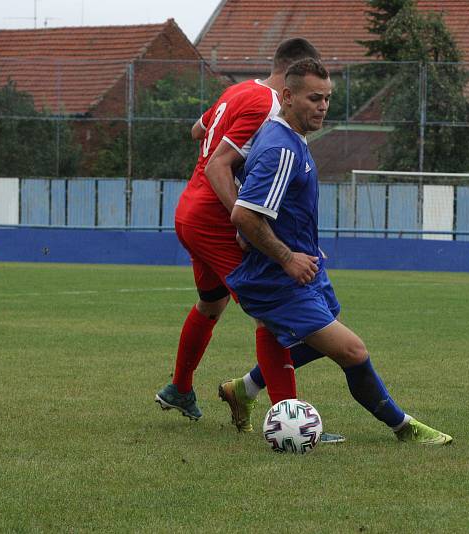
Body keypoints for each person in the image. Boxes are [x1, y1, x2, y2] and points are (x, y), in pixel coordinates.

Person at [227, 58, 453, 444]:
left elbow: (265, 203)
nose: (323, 106)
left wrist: (303, 245)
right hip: (279, 280)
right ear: (287, 96)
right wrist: (287, 256)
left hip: (302, 267)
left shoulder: (286, 137)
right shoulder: (281, 148)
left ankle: (244, 389)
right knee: (352, 350)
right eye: (314, 98)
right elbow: (244, 214)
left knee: (319, 337)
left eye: (328, 99)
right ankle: (405, 428)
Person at [154, 38, 341, 441]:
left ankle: (180, 388)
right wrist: (244, 226)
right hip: (213, 217)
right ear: (291, 75)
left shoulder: (238, 91)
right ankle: (291, 419)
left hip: (189, 209)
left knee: (210, 303)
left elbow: (196, 131)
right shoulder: (267, 105)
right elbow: (220, 167)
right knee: (272, 311)